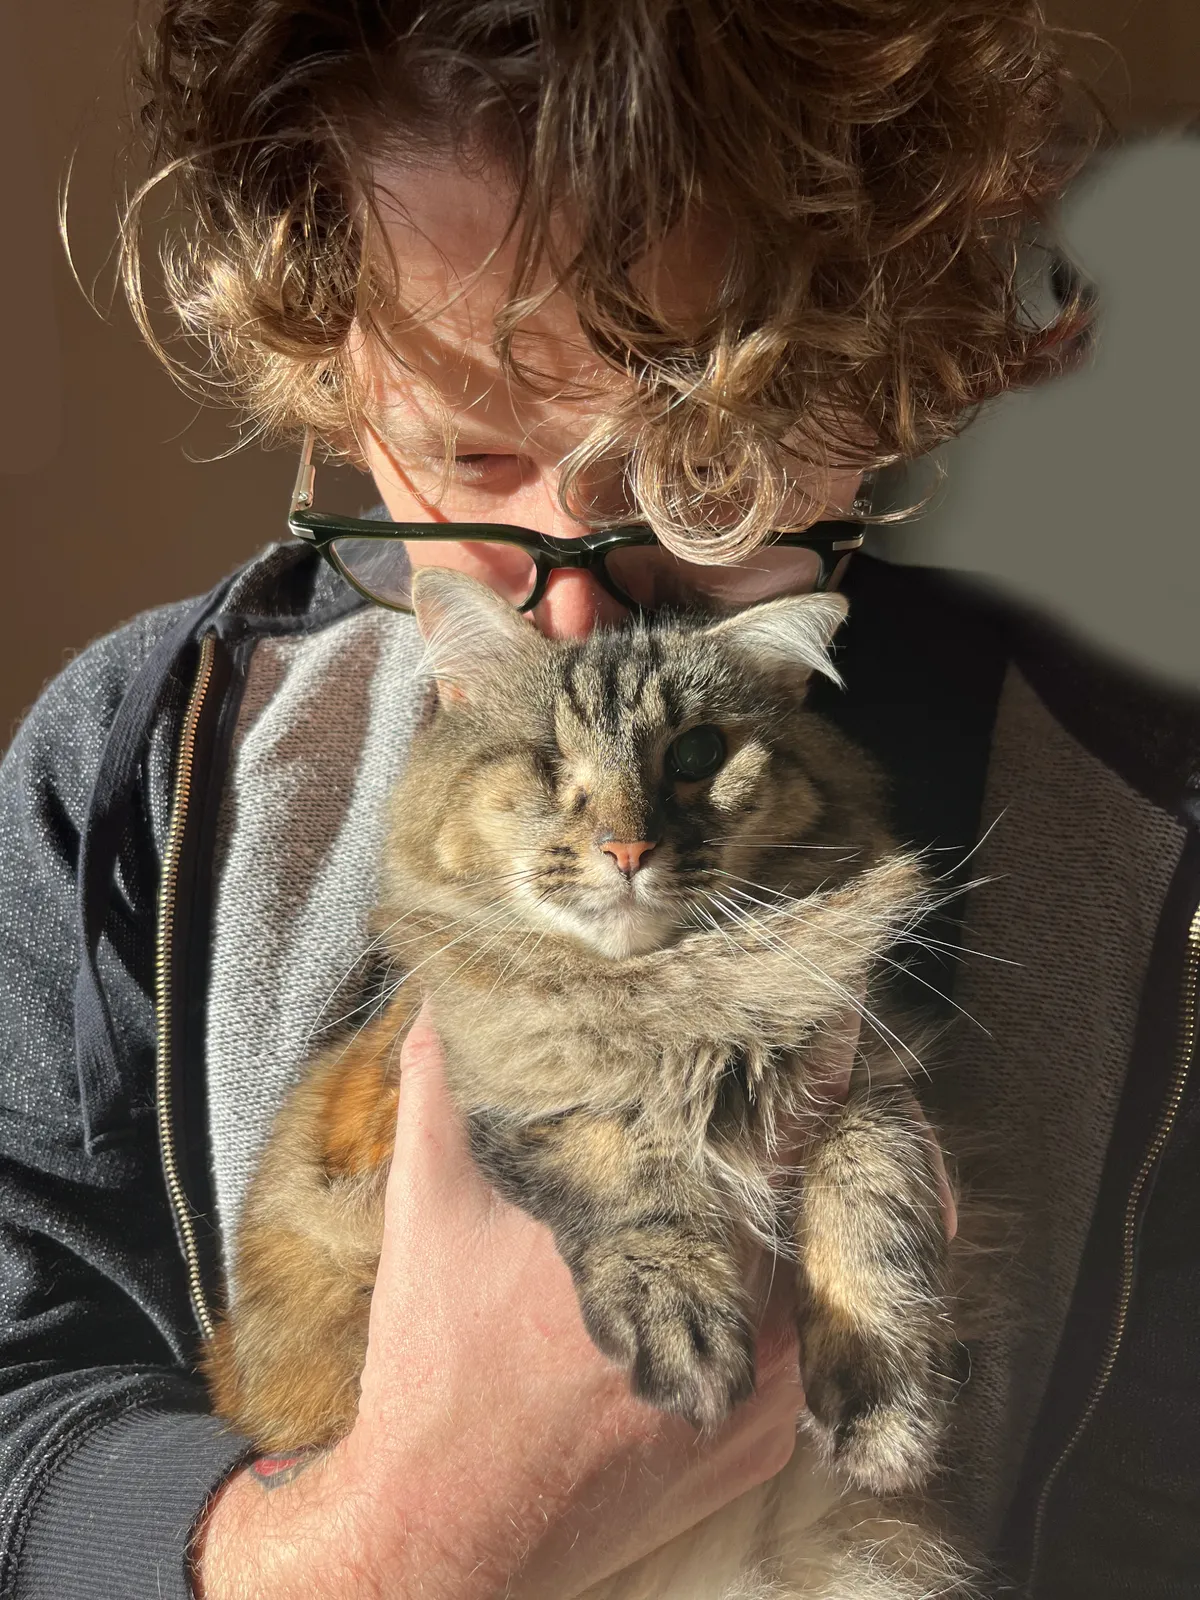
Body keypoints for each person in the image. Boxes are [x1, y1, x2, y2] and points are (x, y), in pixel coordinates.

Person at [2, 3, 1196, 1598]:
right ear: (333, 372)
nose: (573, 624)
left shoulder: (1155, 834)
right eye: (470, 459)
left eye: (701, 465)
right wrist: (400, 1548)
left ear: (881, 371)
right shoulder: (122, 780)